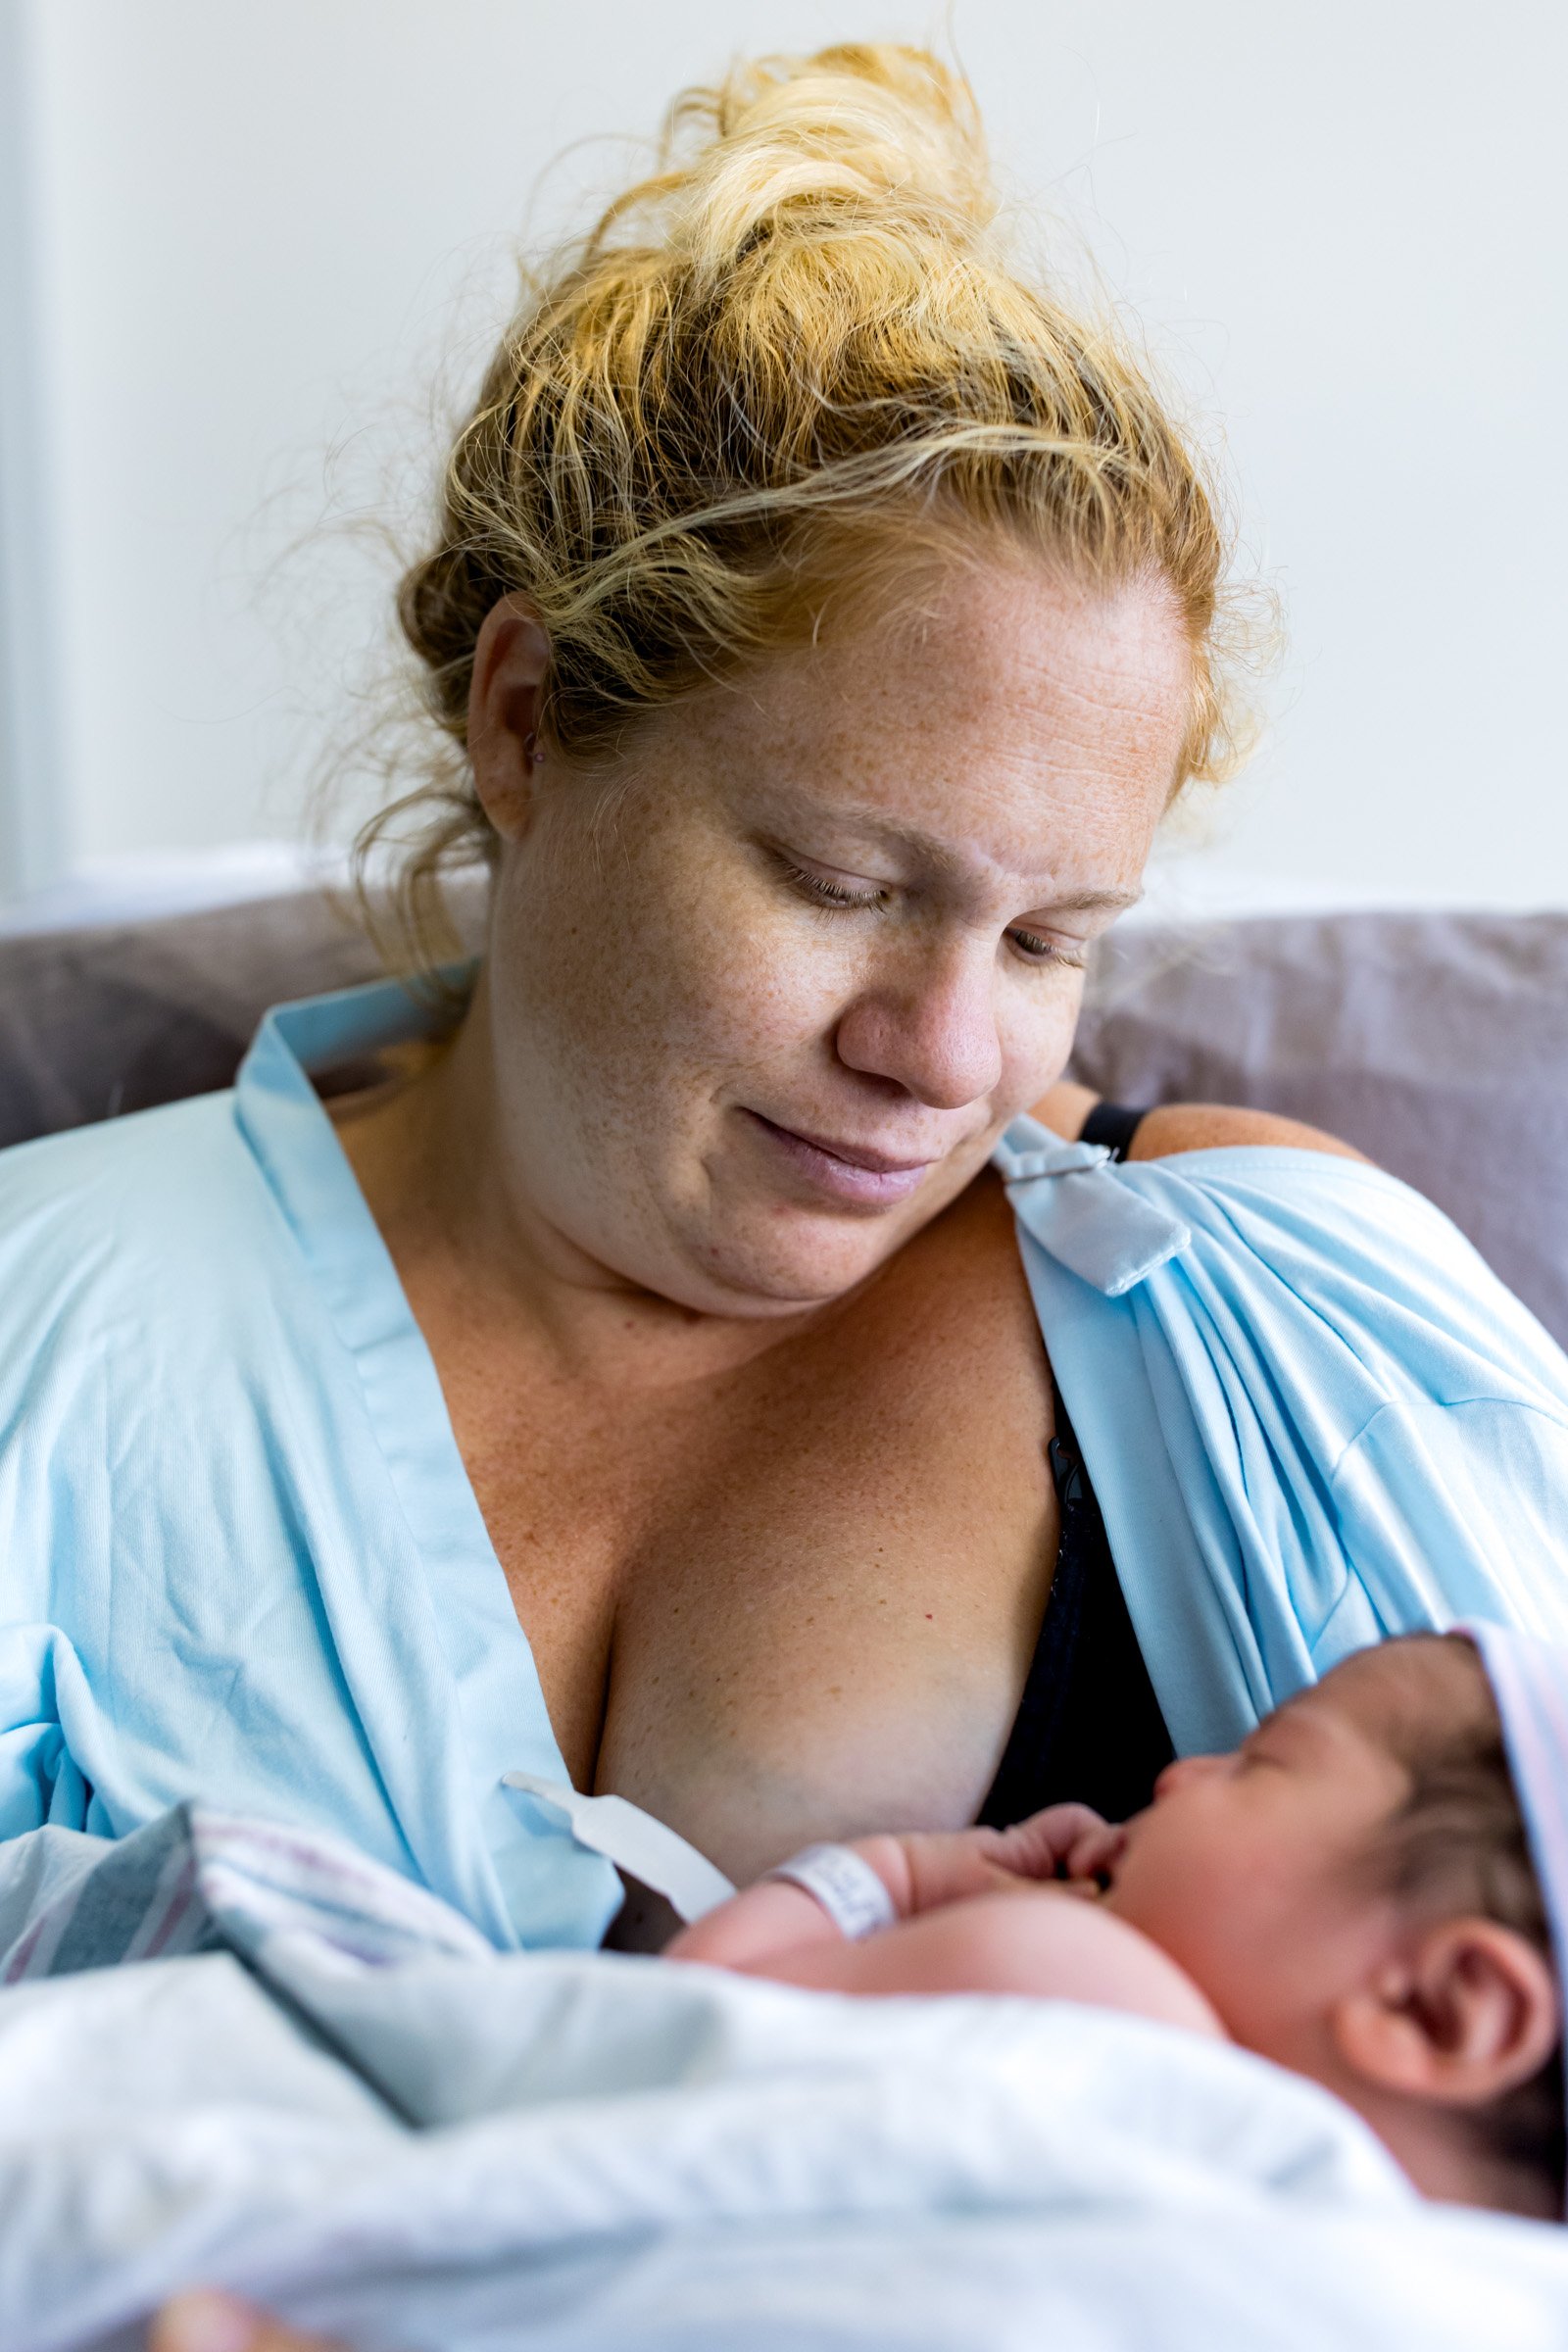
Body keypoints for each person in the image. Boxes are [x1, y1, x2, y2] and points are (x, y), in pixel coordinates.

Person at [4, 42, 1568, 1982]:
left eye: (1044, 940)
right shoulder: (48, 1333)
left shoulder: (1262, 1323)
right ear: (527, 718)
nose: (937, 1057)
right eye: (843, 887)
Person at [668, 1624, 1568, 2221]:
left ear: (1438, 2008)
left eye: (1263, 1763)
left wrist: (900, 1878)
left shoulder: (1087, 1983)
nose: (1180, 1775)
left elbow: (693, 2026)